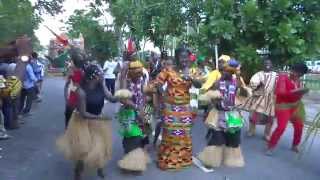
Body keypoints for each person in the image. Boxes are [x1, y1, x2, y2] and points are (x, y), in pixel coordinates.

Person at [56, 64, 116, 180]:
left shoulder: (100, 84)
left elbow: (110, 98)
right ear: (94, 77)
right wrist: (102, 118)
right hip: (82, 122)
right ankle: (78, 172)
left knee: (100, 146)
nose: (103, 75)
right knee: (83, 150)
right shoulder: (81, 91)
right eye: (100, 73)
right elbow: (84, 114)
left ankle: (100, 167)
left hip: (97, 121)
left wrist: (121, 96)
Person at [146, 46, 201, 171]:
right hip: (170, 108)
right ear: (176, 58)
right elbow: (157, 83)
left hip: (185, 109)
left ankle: (183, 159)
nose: (184, 60)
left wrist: (191, 78)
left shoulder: (192, 71)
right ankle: (169, 159)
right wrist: (163, 95)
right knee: (170, 134)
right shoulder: (168, 70)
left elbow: (200, 84)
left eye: (186, 57)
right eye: (182, 57)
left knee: (184, 134)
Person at [197, 60, 246, 168]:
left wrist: (239, 79)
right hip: (218, 114)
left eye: (229, 72)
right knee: (217, 139)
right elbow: (206, 95)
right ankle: (211, 159)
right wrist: (214, 97)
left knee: (233, 138)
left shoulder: (237, 82)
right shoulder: (217, 83)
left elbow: (244, 94)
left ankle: (232, 159)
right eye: (224, 71)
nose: (226, 74)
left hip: (233, 114)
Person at [266, 63, 309, 155]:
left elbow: (298, 93)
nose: (299, 76)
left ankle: (295, 145)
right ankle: (271, 146)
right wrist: (295, 92)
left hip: (296, 106)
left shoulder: (298, 80)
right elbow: (280, 93)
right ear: (293, 70)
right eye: (298, 73)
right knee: (281, 127)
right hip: (283, 106)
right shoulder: (283, 77)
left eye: (301, 75)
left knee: (299, 126)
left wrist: (301, 92)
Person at [240, 58, 277, 140]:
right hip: (258, 98)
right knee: (253, 115)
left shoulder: (275, 75)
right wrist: (256, 86)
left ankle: (267, 134)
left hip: (270, 99)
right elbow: (253, 85)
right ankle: (251, 131)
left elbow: (278, 86)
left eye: (269, 63)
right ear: (262, 65)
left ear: (272, 65)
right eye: (265, 63)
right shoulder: (258, 74)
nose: (267, 64)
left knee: (270, 118)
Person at [64, 49, 85, 128]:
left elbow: (66, 86)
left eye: (71, 61)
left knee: (69, 118)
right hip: (78, 97)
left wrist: (66, 97)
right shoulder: (82, 72)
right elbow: (67, 85)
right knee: (76, 118)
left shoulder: (74, 72)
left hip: (74, 97)